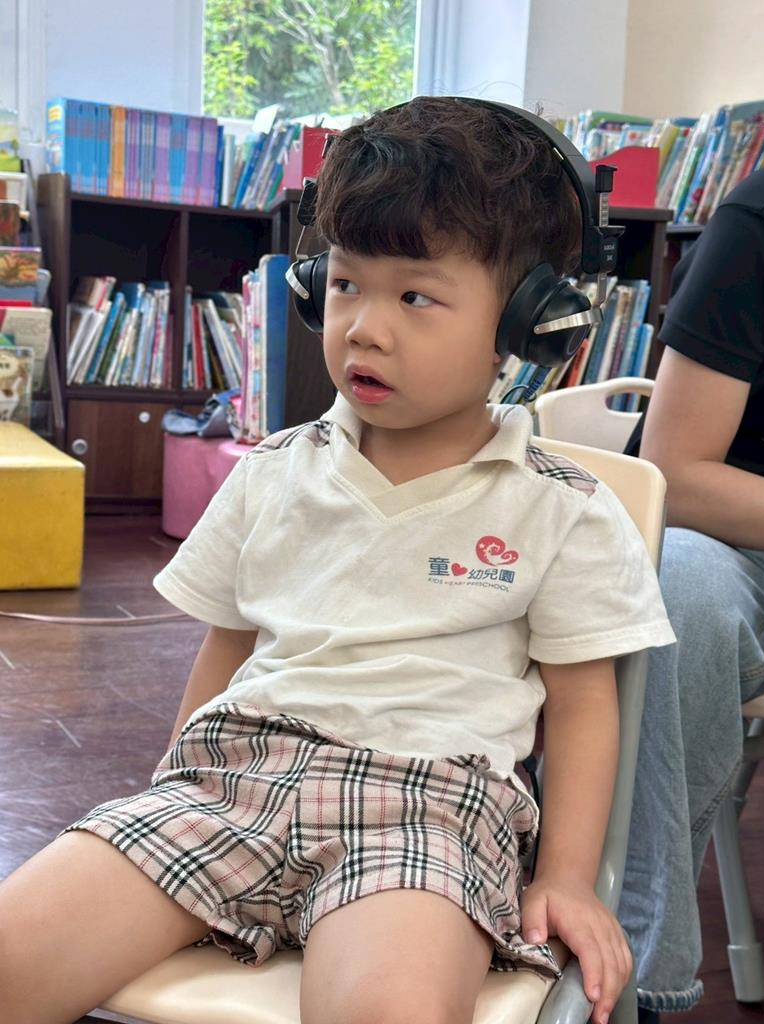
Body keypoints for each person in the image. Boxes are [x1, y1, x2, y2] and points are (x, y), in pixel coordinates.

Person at [0, 96, 674, 1024]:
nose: (364, 326)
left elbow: (585, 703)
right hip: (230, 777)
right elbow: (226, 647)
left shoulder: (562, 508)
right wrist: (170, 793)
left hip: (428, 805)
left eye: (414, 297)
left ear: (529, 324)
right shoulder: (272, 471)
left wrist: (566, 875)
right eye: (347, 284)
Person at [619, 165, 764, 1020]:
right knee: (678, 597)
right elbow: (675, 473)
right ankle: (639, 981)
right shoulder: (758, 217)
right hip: (729, 534)